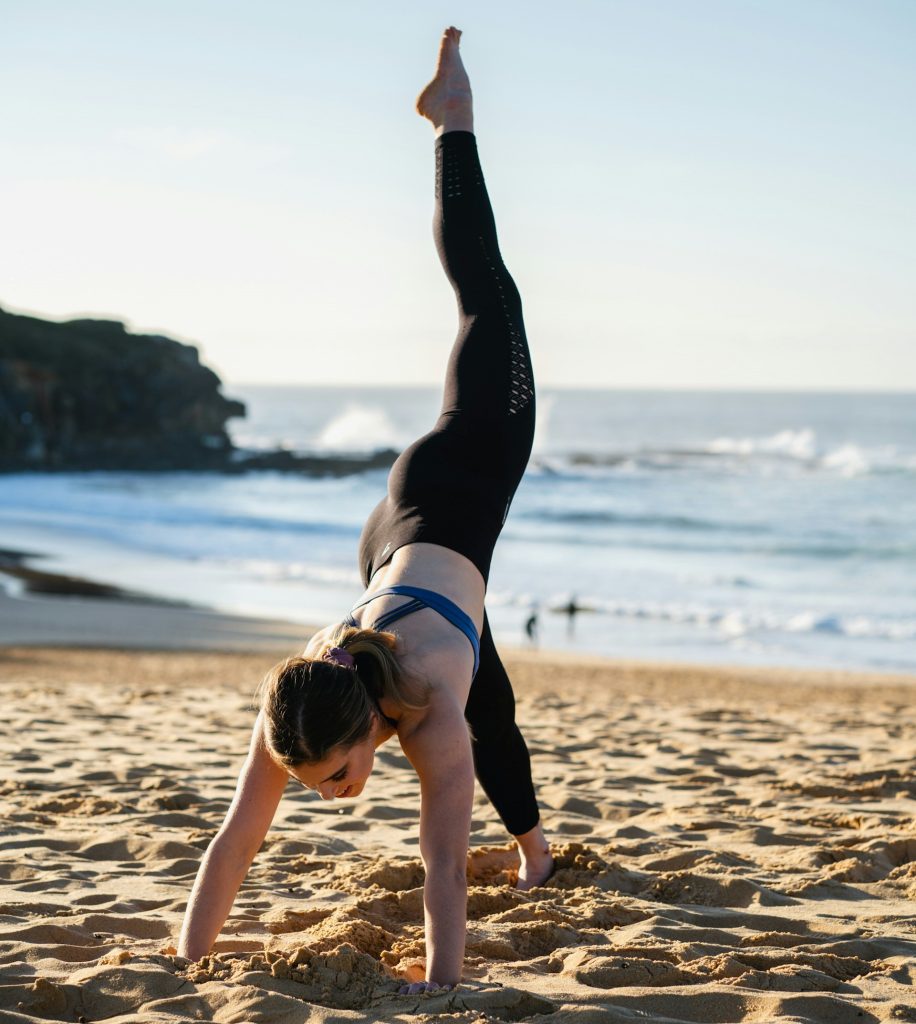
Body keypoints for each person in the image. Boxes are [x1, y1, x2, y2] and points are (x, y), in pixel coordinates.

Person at [176, 27, 552, 994]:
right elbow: (235, 840)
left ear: (364, 733)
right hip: (389, 543)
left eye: (337, 779)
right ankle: (541, 852)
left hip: (462, 475)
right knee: (494, 697)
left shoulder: (425, 714)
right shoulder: (300, 708)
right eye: (327, 786)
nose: (335, 797)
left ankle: (453, 115)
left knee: (488, 298)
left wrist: (443, 981)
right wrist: (188, 959)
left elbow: (437, 868)